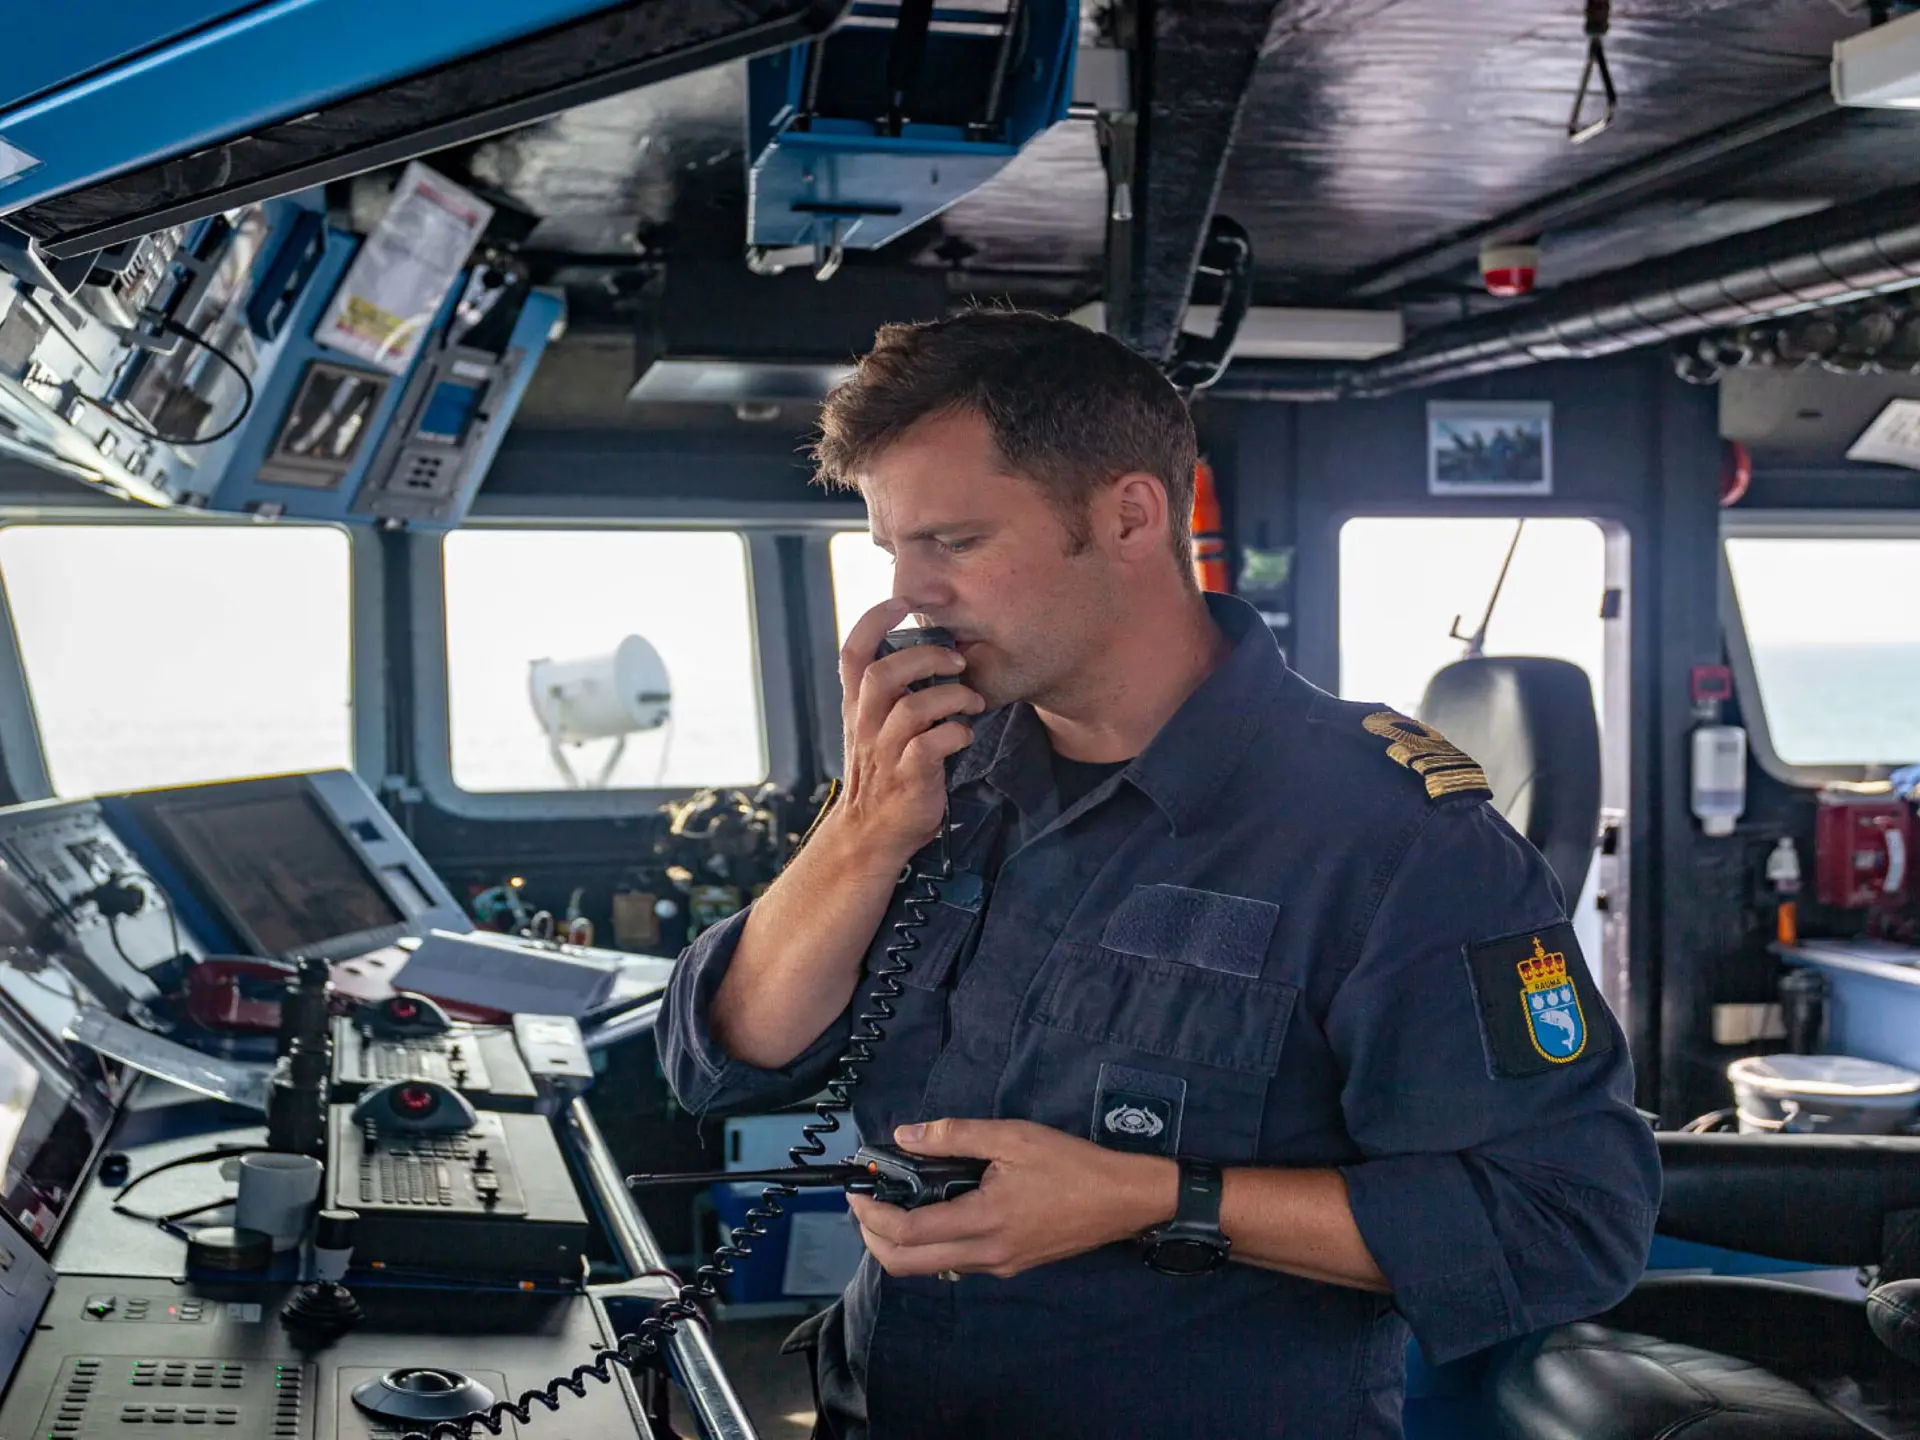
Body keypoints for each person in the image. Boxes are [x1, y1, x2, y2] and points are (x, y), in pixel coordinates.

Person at [658, 309, 1661, 1439]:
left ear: (1131, 514)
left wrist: (1152, 1199)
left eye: (955, 542)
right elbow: (716, 1061)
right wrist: (863, 827)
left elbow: (1565, 1225)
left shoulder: (1395, 843)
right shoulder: (936, 776)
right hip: (888, 1404)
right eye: (893, 549)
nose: (909, 596)